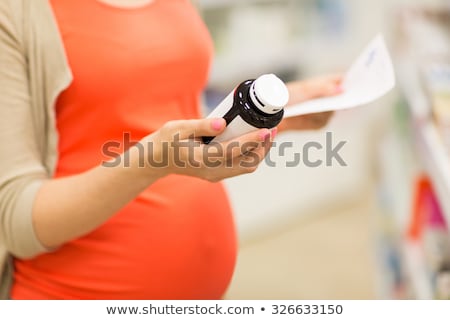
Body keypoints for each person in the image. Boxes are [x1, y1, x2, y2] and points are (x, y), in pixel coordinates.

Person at [0, 0, 342, 299]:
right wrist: (152, 162)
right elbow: (16, 219)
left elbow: (172, 109)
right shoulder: (16, 13)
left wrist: (272, 113)